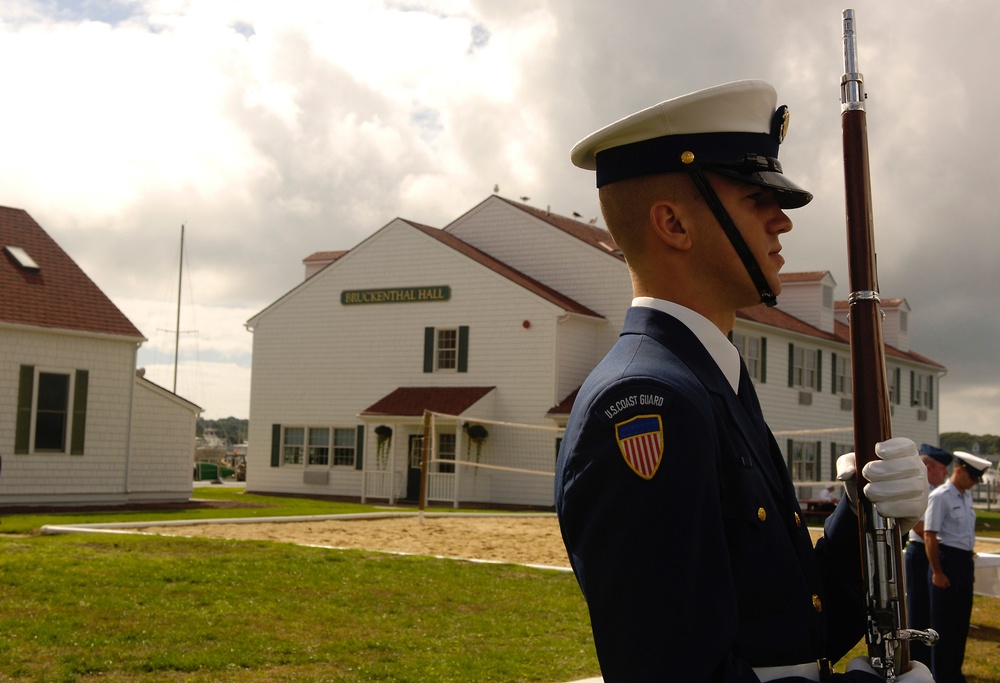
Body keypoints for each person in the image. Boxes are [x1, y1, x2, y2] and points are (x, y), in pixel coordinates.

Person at [554, 80, 932, 682]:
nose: (781, 221)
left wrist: (864, 518)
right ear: (674, 223)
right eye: (756, 199)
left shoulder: (710, 380)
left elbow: (793, 629)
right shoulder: (647, 402)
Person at [924, 450, 991, 683]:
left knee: (961, 623)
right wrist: (938, 571)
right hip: (946, 560)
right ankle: (941, 675)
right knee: (944, 624)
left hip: (963, 562)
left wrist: (967, 569)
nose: (973, 483)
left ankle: (954, 672)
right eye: (971, 477)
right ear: (959, 470)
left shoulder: (965, 497)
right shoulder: (941, 496)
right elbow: (930, 535)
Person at [906, 444, 954, 666]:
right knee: (918, 609)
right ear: (928, 466)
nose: (945, 474)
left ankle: (927, 659)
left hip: (928, 551)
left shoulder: (933, 490)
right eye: (942, 469)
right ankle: (917, 658)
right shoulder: (917, 488)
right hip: (919, 554)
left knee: (930, 610)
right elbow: (915, 523)